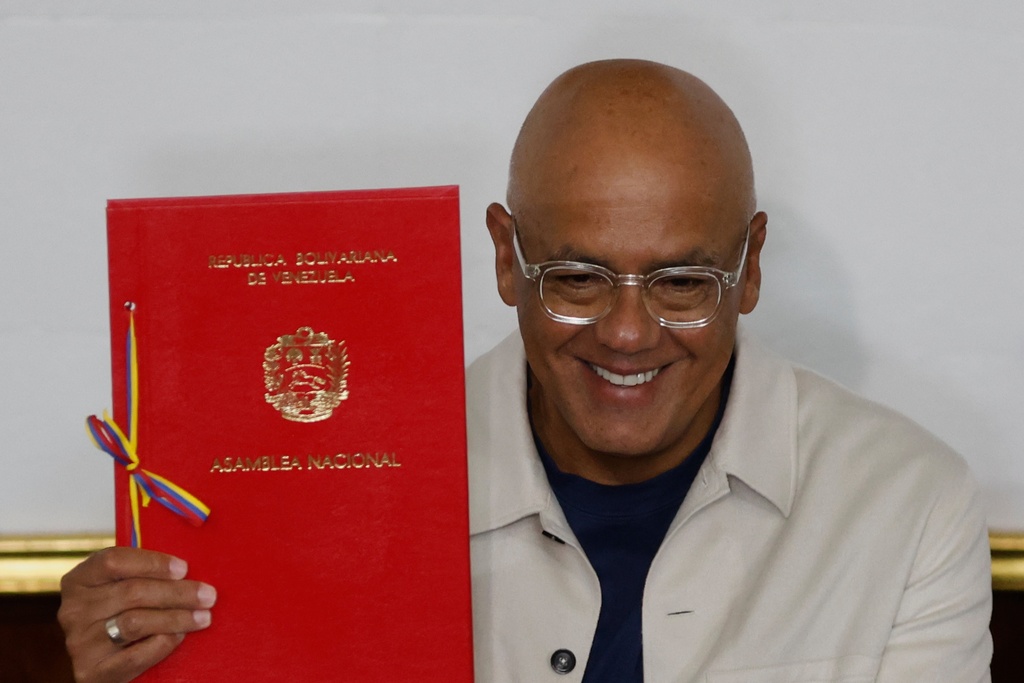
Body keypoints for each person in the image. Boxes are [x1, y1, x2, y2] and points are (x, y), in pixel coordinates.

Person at [58, 59, 993, 682]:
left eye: (681, 281)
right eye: (577, 278)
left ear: (750, 267)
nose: (628, 333)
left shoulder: (909, 506)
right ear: (506, 258)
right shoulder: (338, 483)